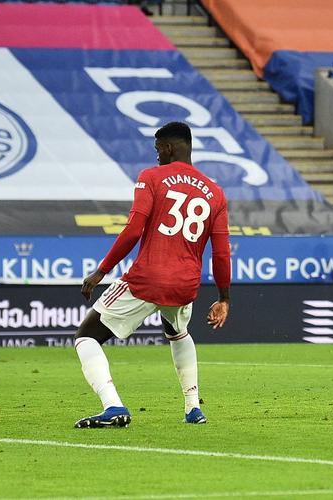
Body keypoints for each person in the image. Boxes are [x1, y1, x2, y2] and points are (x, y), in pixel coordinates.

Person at [73, 122, 231, 428]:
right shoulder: (215, 192)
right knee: (177, 333)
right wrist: (224, 297)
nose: (156, 155)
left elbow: (134, 229)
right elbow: (222, 253)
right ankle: (193, 408)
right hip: (185, 285)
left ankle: (112, 406)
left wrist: (101, 271)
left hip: (147, 279)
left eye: (158, 149)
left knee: (86, 336)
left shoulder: (152, 177)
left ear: (169, 148)